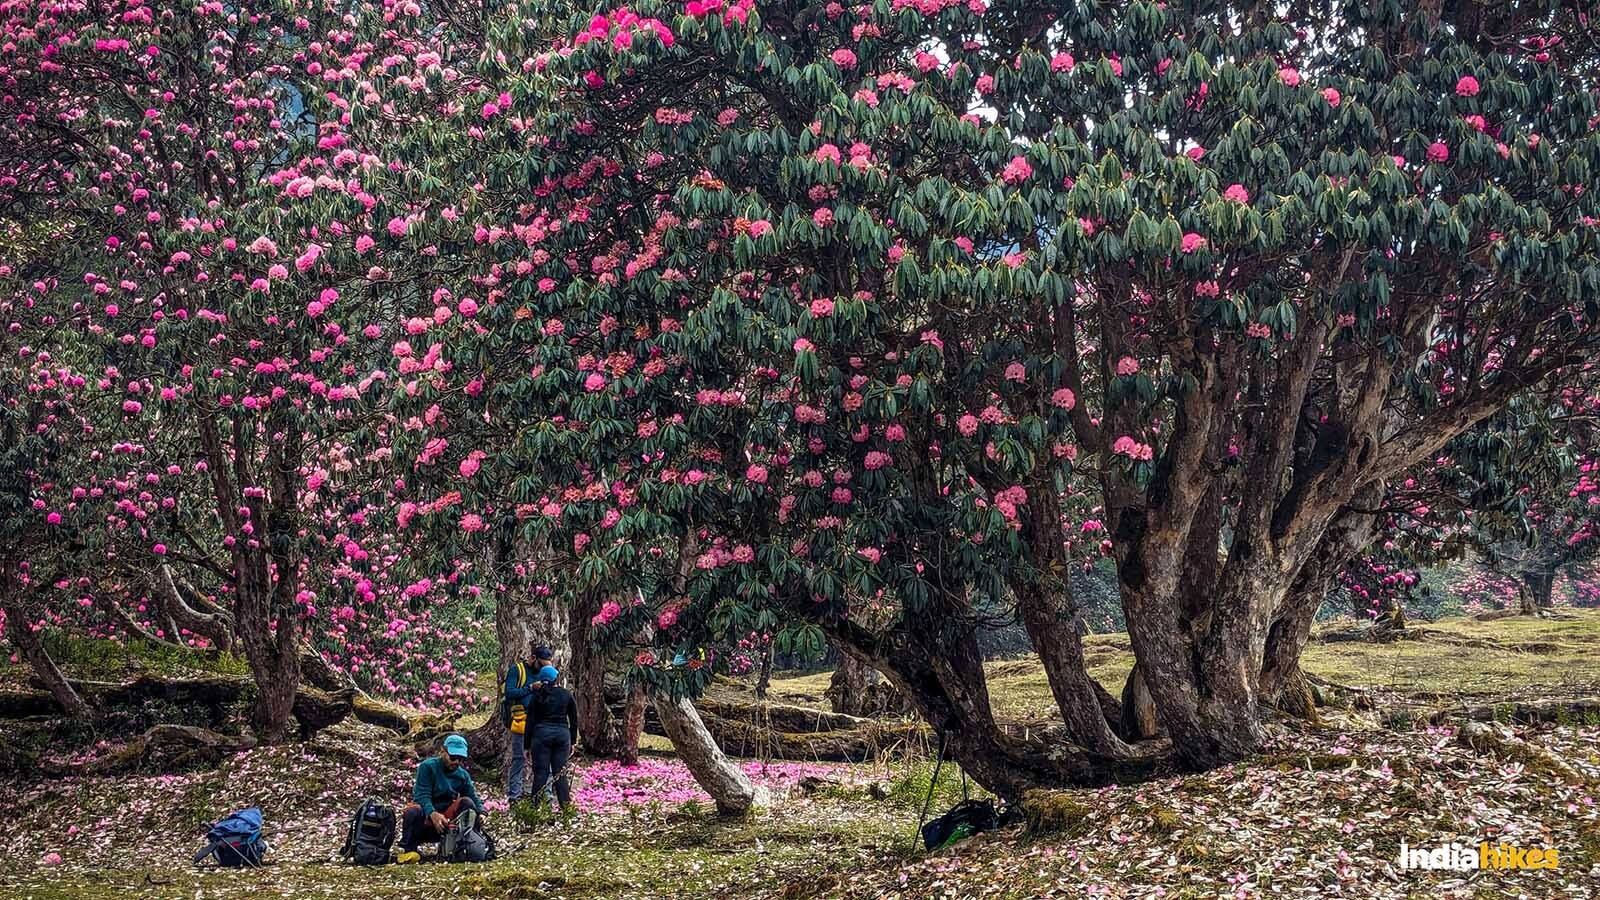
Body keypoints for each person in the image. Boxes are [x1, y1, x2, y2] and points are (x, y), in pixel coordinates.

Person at [397, 734, 484, 863]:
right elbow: (422, 795)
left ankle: (465, 845)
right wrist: (432, 813)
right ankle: (410, 850)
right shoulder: (428, 767)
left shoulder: (462, 775)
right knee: (412, 811)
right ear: (443, 751)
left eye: (460, 759)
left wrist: (482, 812)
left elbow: (471, 795)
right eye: (453, 758)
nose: (456, 762)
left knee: (467, 803)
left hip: (448, 822)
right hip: (425, 818)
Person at [503, 642, 555, 802]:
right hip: (521, 721)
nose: (543, 670)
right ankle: (514, 795)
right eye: (541, 665)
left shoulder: (546, 674)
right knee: (519, 758)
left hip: (541, 722)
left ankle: (545, 795)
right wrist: (531, 688)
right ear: (533, 658)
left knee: (545, 759)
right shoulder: (517, 670)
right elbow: (509, 692)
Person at [523, 664, 579, 811]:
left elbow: (530, 722)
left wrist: (526, 746)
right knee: (560, 773)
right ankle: (566, 810)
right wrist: (573, 741)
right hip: (562, 735)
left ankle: (533, 810)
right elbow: (574, 719)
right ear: (556, 679)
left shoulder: (536, 697)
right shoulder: (566, 694)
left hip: (541, 736)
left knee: (540, 773)